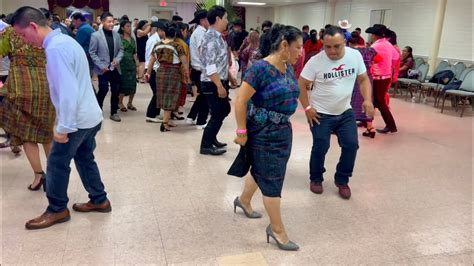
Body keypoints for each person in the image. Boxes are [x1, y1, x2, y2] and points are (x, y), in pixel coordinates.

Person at [11, 6, 110, 230]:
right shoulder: (65, 41)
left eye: (23, 35)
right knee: (85, 158)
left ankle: (57, 209)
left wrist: (63, 127)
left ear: (34, 27)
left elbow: (67, 91)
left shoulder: (56, 48)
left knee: (56, 163)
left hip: (77, 119)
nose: (24, 41)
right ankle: (99, 199)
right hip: (90, 115)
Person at [232, 23, 303, 251]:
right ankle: (277, 230)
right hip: (264, 132)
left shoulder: (286, 66)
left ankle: (243, 200)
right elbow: (240, 101)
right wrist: (241, 132)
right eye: (298, 47)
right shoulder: (260, 69)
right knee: (273, 180)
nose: (300, 52)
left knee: (264, 170)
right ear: (284, 45)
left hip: (284, 131)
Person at [298, 26, 375, 199]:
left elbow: (363, 79)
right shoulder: (316, 61)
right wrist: (308, 108)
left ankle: (342, 180)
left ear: (345, 43)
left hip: (345, 111)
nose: (332, 51)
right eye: (328, 47)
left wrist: (367, 99)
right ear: (323, 44)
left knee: (351, 145)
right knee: (321, 146)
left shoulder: (355, 56)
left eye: (337, 46)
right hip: (321, 114)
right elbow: (301, 84)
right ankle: (316, 178)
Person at [0, 16, 55, 186]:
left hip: (20, 88)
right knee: (47, 134)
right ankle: (55, 176)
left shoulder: (9, 33)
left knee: (26, 135)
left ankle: (39, 176)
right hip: (47, 88)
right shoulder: (46, 32)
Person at [145, 22, 190, 132]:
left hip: (160, 72)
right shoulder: (177, 46)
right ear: (174, 35)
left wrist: (148, 73)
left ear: (165, 34)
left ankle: (167, 120)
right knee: (171, 96)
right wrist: (187, 73)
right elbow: (184, 61)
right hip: (173, 72)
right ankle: (165, 123)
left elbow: (151, 60)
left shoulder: (158, 45)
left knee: (163, 96)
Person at [199, 5, 230, 155]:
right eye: (225, 18)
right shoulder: (211, 38)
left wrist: (229, 77)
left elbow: (220, 61)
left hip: (219, 80)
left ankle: (212, 138)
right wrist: (219, 85)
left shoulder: (218, 37)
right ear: (217, 19)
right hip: (212, 82)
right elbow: (210, 66)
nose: (227, 21)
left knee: (224, 110)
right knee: (218, 113)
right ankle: (206, 145)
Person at [89, 11, 124, 122]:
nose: (111, 24)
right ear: (103, 22)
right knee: (103, 90)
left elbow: (121, 50)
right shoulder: (95, 36)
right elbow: (92, 52)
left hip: (115, 68)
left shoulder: (117, 35)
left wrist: (117, 60)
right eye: (109, 22)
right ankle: (98, 111)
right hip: (103, 70)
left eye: (112, 21)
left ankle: (114, 112)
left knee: (116, 90)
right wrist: (101, 65)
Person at [365, 24, 398, 134]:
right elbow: (396, 57)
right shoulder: (388, 44)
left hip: (378, 77)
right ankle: (367, 120)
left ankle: (391, 125)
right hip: (386, 76)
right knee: (374, 101)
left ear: (375, 35)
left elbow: (369, 60)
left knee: (379, 102)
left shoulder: (375, 46)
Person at [348, 31, 377, 138]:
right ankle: (370, 127)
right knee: (367, 101)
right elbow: (379, 60)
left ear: (350, 43)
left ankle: (348, 128)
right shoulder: (370, 51)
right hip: (368, 78)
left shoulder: (351, 52)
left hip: (355, 79)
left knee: (351, 103)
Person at [186, 10, 210, 129]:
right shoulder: (201, 33)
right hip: (201, 69)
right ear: (202, 21)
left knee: (202, 95)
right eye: (208, 19)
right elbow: (203, 52)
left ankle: (191, 116)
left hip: (197, 69)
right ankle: (201, 122)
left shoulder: (198, 32)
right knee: (206, 96)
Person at [145, 21, 165, 123]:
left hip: (155, 69)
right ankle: (150, 114)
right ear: (160, 30)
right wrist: (148, 72)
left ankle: (156, 113)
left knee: (158, 93)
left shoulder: (158, 39)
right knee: (157, 93)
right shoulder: (154, 41)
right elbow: (150, 57)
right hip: (152, 69)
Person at [118, 20, 138, 112]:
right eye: (127, 26)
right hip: (122, 64)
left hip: (131, 64)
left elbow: (134, 53)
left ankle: (130, 103)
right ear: (122, 28)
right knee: (123, 84)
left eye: (130, 26)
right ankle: (120, 103)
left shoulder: (133, 40)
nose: (129, 28)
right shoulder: (119, 39)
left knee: (133, 84)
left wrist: (137, 64)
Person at [72, 12, 95, 76]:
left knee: (85, 78)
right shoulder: (87, 27)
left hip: (86, 56)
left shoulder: (83, 29)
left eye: (74, 21)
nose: (73, 24)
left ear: (79, 20)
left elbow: (76, 45)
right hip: (90, 55)